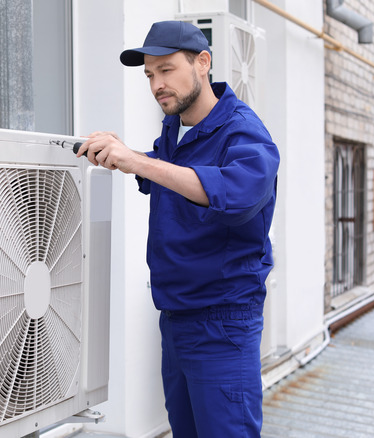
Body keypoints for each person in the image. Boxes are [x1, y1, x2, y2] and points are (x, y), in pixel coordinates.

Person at [76, 20, 279, 437]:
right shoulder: (177, 126)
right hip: (176, 316)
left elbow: (237, 195)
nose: (156, 85)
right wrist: (120, 152)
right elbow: (167, 174)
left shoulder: (244, 132)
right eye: (150, 74)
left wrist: (139, 162)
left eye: (166, 70)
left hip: (223, 321)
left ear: (202, 63)